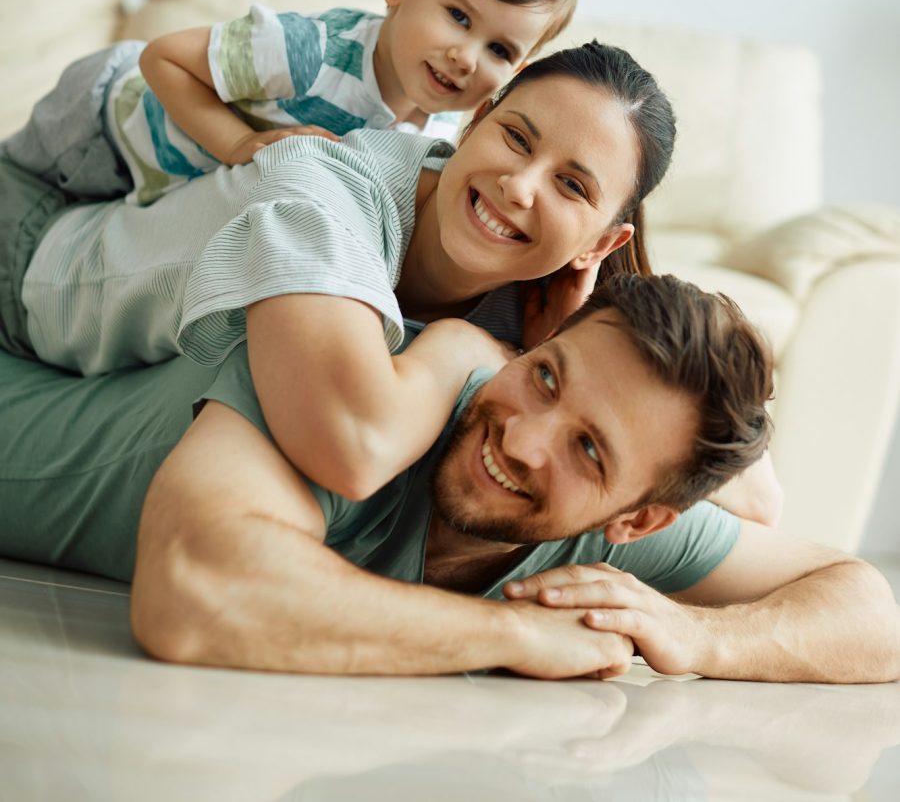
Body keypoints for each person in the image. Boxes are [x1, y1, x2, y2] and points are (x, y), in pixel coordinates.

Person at [0, 275, 895, 683]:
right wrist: (502, 636)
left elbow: (872, 615)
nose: (525, 436)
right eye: (545, 375)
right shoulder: (356, 392)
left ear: (641, 517)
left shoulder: (621, 533)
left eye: (590, 452)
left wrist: (702, 640)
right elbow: (196, 592)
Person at [4, 42, 667, 503]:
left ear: (602, 244)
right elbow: (352, 447)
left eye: (572, 186)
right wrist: (476, 348)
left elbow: (738, 489)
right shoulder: (327, 187)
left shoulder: (531, 305)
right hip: (24, 263)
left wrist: (553, 346)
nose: (518, 186)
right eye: (517, 137)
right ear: (476, 123)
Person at [0, 0, 577, 206]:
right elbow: (163, 58)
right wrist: (242, 143)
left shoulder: (445, 135)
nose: (467, 57)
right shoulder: (309, 51)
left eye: (499, 50)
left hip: (163, 177)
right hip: (108, 120)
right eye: (458, 16)